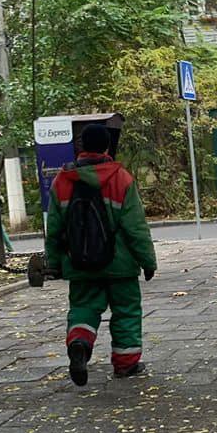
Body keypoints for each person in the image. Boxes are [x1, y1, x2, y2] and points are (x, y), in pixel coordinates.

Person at [45, 123, 159, 386]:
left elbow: (54, 229)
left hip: (80, 264)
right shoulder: (121, 179)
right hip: (120, 265)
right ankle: (126, 365)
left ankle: (79, 344)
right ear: (107, 146)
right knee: (126, 311)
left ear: (81, 147)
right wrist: (148, 261)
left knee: (83, 308)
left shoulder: (62, 181)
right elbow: (135, 227)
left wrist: (54, 262)